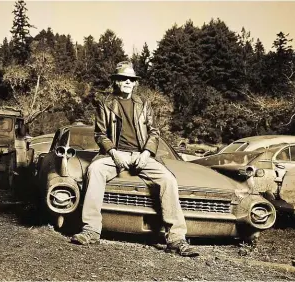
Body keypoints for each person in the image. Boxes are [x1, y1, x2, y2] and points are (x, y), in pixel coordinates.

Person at [70, 61, 199, 257]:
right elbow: (100, 134)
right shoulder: (105, 104)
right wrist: (114, 152)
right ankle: (91, 230)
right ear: (116, 82)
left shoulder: (144, 104)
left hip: (141, 155)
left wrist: (146, 153)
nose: (128, 82)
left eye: (132, 79)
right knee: (94, 170)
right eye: (124, 78)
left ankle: (176, 238)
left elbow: (154, 132)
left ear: (135, 83)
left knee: (168, 179)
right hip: (114, 154)